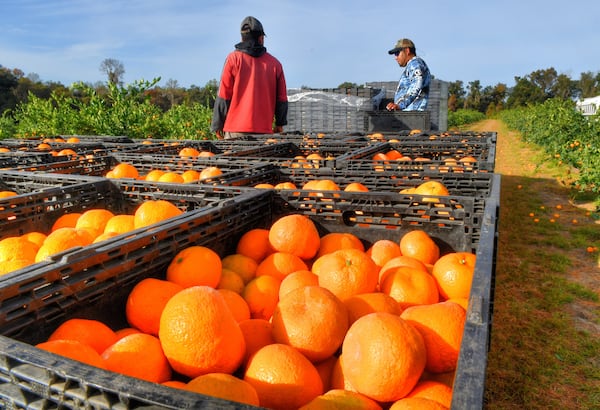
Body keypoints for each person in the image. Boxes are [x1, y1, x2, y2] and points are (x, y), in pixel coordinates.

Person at [211, 16, 288, 140]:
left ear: (242, 38)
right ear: (261, 38)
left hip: (235, 132)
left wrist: (217, 124)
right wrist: (280, 123)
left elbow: (224, 95)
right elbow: (282, 99)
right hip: (264, 133)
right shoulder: (275, 64)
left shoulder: (233, 59)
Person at [385, 38, 431, 112]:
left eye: (397, 53)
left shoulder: (415, 64)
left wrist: (400, 105)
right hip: (412, 116)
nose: (395, 58)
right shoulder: (415, 65)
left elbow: (416, 85)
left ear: (407, 51)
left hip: (413, 117)